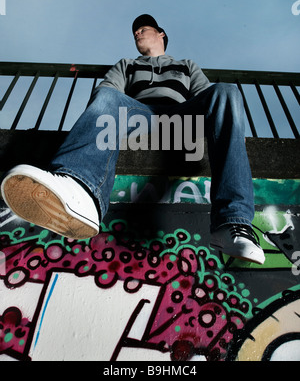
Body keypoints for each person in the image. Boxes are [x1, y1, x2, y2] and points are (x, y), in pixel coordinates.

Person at [0, 14, 265, 264]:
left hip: (182, 116)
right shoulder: (127, 65)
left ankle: (232, 222)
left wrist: (223, 128)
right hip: (139, 115)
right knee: (106, 96)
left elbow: (207, 97)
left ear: (161, 34)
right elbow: (107, 94)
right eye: (135, 31)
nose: (137, 33)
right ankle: (81, 188)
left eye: (143, 29)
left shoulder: (186, 66)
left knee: (226, 92)